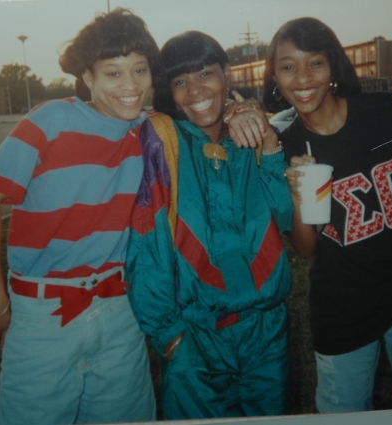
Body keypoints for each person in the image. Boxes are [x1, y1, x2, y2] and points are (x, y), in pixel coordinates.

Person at [262, 17, 392, 412]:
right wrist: (301, 193)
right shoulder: (284, 149)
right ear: (275, 77)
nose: (302, 77)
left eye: (314, 62)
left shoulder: (387, 114)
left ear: (334, 66)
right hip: (341, 310)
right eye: (288, 66)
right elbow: (306, 250)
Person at [0, 8, 157, 425]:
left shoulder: (149, 133)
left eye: (139, 70)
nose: (130, 85)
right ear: (88, 77)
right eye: (114, 73)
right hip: (42, 317)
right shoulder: (52, 119)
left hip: (117, 311)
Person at [126, 31, 294, 419]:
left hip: (266, 333)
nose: (195, 90)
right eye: (180, 81)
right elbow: (146, 243)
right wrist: (167, 333)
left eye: (205, 74)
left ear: (227, 74)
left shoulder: (251, 133)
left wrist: (268, 140)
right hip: (196, 338)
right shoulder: (163, 143)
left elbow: (286, 217)